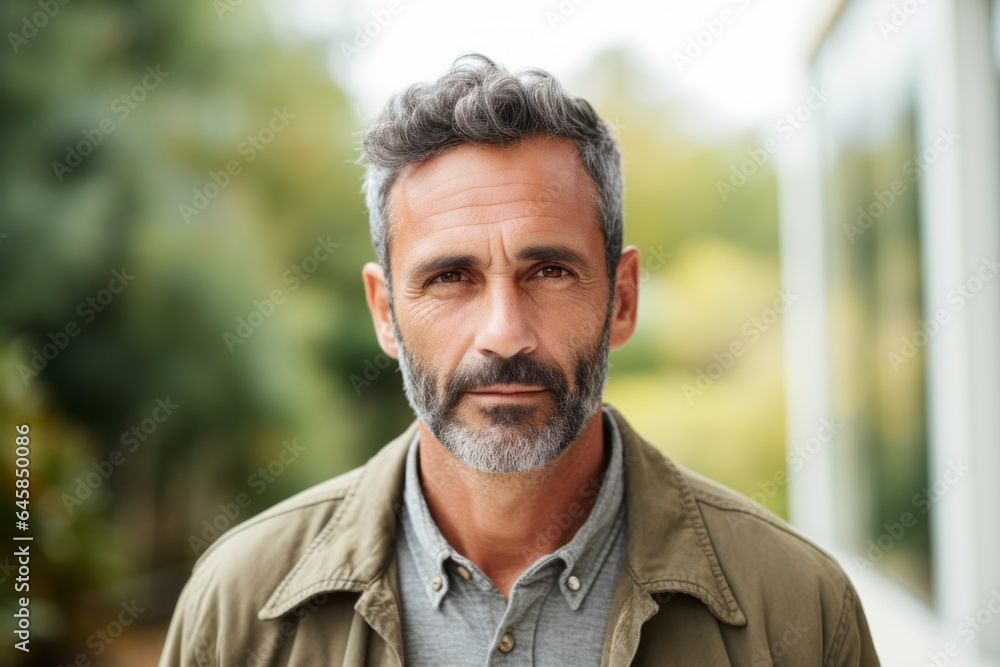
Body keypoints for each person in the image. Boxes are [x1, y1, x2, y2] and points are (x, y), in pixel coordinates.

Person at [159, 53, 880, 666]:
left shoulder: (797, 611)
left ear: (622, 298)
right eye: (450, 277)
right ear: (385, 312)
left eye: (549, 272)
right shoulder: (241, 608)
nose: (504, 334)